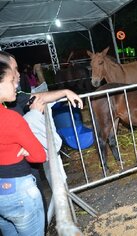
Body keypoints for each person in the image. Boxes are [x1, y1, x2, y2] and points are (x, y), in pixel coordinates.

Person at [0, 51, 83, 232]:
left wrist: (65, 91)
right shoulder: (10, 116)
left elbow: (37, 97)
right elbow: (39, 155)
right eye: (13, 71)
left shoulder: (13, 100)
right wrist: (36, 114)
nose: (18, 75)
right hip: (22, 185)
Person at [0, 61, 47, 235]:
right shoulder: (10, 118)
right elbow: (39, 156)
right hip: (19, 192)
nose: (16, 85)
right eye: (11, 80)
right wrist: (25, 149)